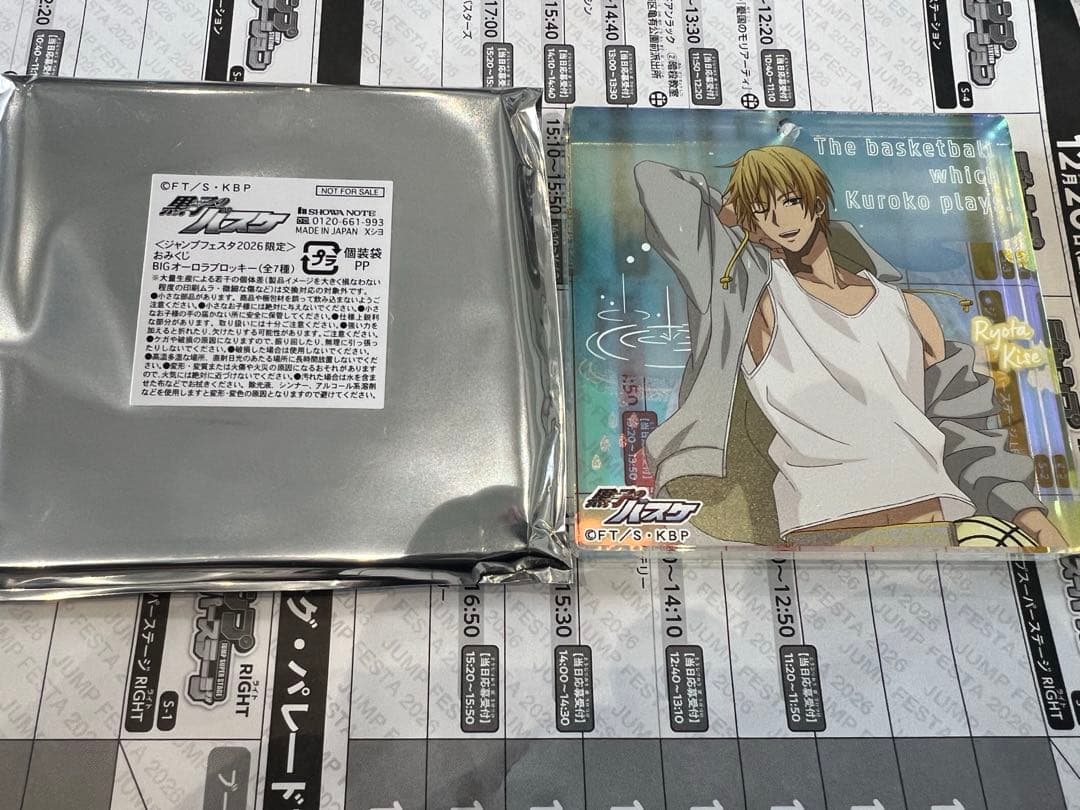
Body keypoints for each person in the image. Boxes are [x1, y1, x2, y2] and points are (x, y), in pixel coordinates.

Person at [634, 145, 1065, 548]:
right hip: (825, 522)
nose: (780, 219)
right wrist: (727, 207)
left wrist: (1031, 518)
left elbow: (968, 433)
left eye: (790, 200)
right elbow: (655, 181)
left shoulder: (907, 308)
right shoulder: (752, 302)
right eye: (761, 210)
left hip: (926, 513)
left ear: (816, 202)